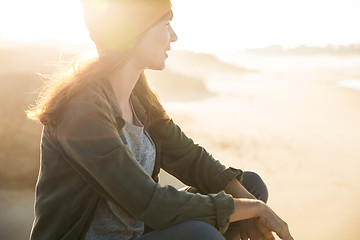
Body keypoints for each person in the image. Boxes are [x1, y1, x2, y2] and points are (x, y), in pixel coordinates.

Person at [27, 0, 294, 239]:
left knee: (249, 185)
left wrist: (250, 202)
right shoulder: (82, 110)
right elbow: (150, 203)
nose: (174, 36)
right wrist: (253, 209)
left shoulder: (139, 95)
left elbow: (190, 157)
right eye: (166, 25)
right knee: (200, 234)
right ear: (133, 34)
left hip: (140, 230)